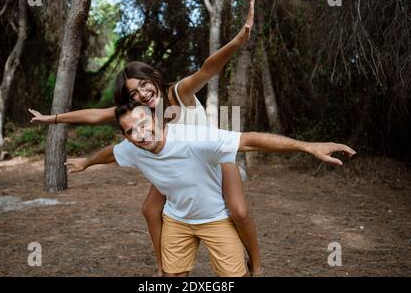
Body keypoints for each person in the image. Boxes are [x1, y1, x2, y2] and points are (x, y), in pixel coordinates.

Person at [29, 0, 264, 276]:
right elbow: (95, 115)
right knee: (150, 209)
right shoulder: (141, 115)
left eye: (143, 85)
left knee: (238, 210)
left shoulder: (178, 92)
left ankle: (257, 265)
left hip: (211, 157)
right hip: (179, 164)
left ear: (153, 77)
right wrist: (53, 119)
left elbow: (207, 69)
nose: (142, 95)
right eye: (133, 94)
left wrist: (238, 41)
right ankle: (164, 266)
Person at [64, 102, 356, 277]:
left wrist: (308, 146)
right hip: (178, 220)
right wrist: (87, 162)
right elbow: (109, 153)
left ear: (156, 118)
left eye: (144, 124)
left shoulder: (194, 138)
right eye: (131, 131)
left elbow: (249, 140)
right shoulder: (132, 148)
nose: (140, 134)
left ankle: (256, 265)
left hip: (216, 218)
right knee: (171, 275)